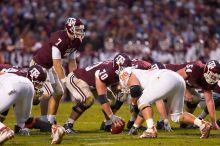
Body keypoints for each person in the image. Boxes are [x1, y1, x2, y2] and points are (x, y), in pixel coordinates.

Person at [118, 66, 211, 138]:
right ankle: (202, 124)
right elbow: (145, 109)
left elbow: (135, 89)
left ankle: (150, 130)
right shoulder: (143, 76)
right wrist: (135, 126)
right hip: (178, 79)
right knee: (176, 116)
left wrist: (134, 104)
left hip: (165, 78)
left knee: (142, 100)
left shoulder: (124, 72)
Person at [62, 53, 137, 133]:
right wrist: (111, 116)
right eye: (124, 67)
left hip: (93, 83)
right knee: (88, 100)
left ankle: (107, 125)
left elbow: (113, 84)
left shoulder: (116, 71)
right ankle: (68, 125)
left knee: (112, 101)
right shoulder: (108, 72)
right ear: (117, 65)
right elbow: (102, 98)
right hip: (77, 78)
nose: (126, 70)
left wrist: (120, 89)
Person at [30, 17, 85, 124]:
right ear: (70, 28)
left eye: (80, 29)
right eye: (77, 29)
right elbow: (57, 64)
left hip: (50, 67)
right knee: (46, 93)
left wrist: (73, 78)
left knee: (59, 92)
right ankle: (43, 119)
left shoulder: (76, 40)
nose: (80, 32)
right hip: (39, 66)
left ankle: (50, 119)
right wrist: (65, 81)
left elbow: (72, 62)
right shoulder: (59, 39)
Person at [0, 65, 65, 145]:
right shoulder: (22, 72)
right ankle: (55, 129)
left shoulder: (8, 72)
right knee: (24, 121)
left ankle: (3, 130)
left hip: (11, 84)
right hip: (28, 85)